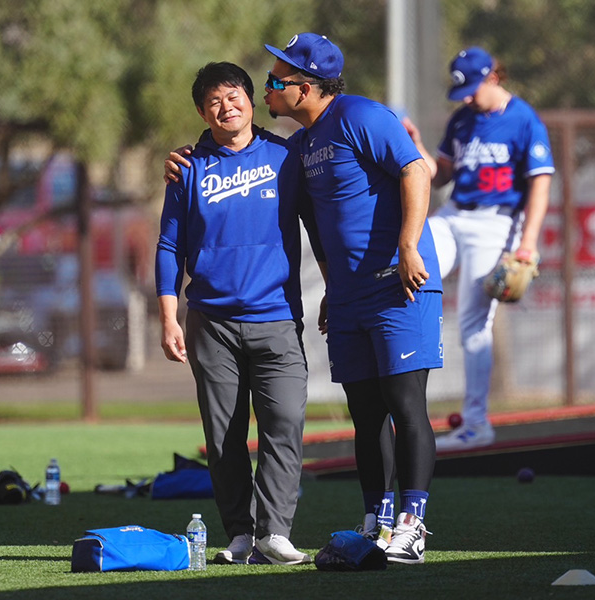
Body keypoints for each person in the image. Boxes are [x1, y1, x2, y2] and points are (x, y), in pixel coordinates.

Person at [262, 33, 443, 565]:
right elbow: (317, 223)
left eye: (275, 80)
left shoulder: (361, 115)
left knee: (405, 406)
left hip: (398, 284)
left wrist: (409, 246)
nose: (266, 87)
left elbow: (415, 171)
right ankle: (377, 522)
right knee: (365, 414)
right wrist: (333, 284)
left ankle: (413, 527)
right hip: (349, 298)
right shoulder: (299, 145)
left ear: (305, 87)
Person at [156, 61, 323, 566]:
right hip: (211, 323)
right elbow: (168, 246)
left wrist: (337, 288)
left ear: (251, 101)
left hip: (276, 318)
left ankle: (275, 533)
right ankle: (241, 534)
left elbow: (320, 223)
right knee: (224, 435)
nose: (225, 108)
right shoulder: (186, 168)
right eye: (213, 102)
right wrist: (168, 316)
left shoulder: (286, 156)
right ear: (202, 112)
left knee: (285, 422)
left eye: (233, 97)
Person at [404, 47, 555, 451]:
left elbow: (540, 183)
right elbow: (438, 177)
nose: (468, 97)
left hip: (496, 222)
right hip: (454, 214)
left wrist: (528, 243)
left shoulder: (523, 119)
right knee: (410, 252)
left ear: (493, 77)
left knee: (473, 323)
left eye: (473, 88)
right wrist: (417, 145)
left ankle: (476, 424)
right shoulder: (463, 118)